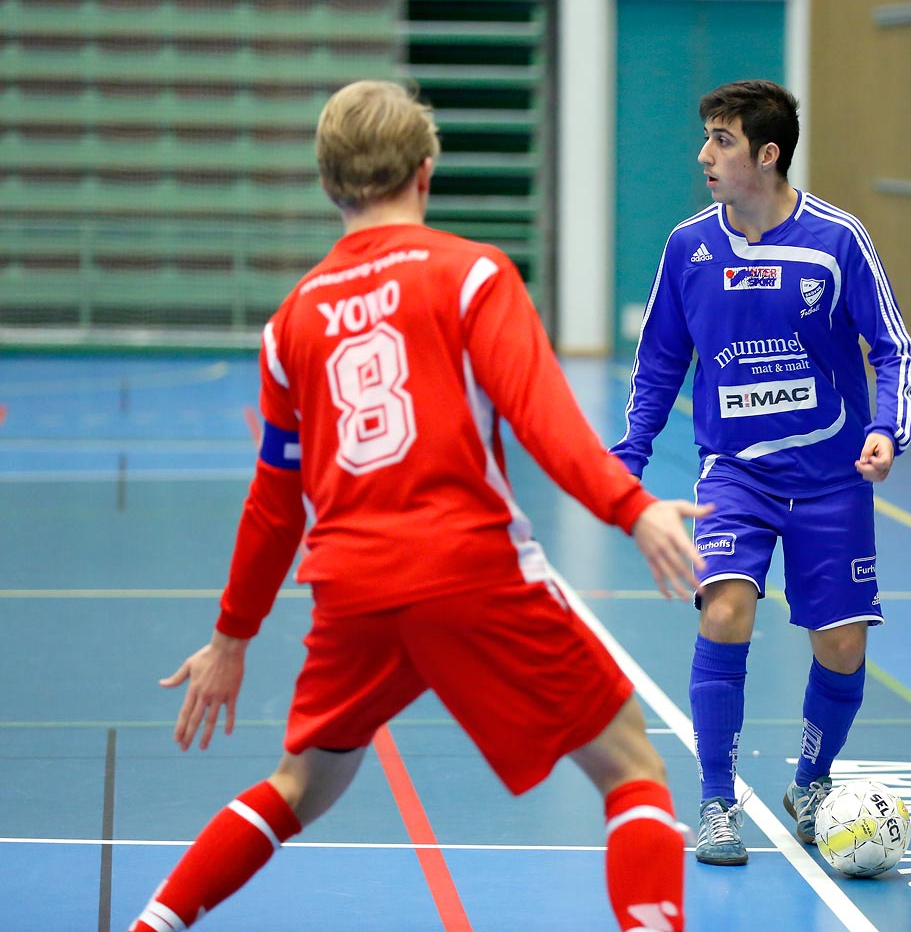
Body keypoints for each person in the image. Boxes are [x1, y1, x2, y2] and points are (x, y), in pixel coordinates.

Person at [125, 80, 708, 932]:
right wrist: (632, 507)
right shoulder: (472, 275)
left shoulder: (292, 321)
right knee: (631, 767)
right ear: (426, 172)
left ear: (329, 184)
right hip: (471, 571)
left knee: (301, 786)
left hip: (353, 588)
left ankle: (152, 925)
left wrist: (232, 637)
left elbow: (274, 502)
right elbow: (543, 416)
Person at [611, 79, 911, 865]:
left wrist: (887, 428)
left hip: (833, 479)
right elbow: (659, 362)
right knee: (724, 612)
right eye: (708, 136)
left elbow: (893, 347)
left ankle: (812, 782)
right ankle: (718, 801)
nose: (704, 153)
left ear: (767, 153)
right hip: (735, 475)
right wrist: (629, 459)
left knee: (843, 646)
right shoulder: (690, 248)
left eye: (721, 139)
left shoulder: (837, 240)